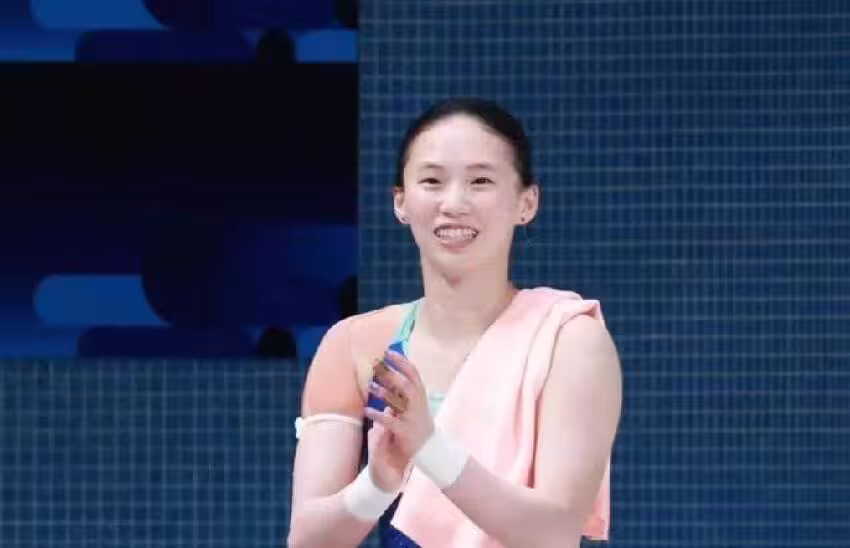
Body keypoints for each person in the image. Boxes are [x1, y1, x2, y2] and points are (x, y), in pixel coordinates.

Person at [287, 97, 622, 548]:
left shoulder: (569, 340)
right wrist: (377, 485)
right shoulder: (354, 345)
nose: (454, 203)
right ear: (401, 202)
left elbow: (555, 532)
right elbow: (308, 541)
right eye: (432, 181)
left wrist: (431, 449)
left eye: (481, 181)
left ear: (527, 202)